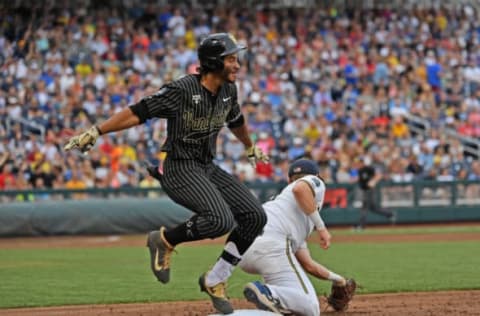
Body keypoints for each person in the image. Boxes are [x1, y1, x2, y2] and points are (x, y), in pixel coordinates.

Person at [64, 33, 269, 315]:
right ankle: (165, 240)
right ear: (213, 62)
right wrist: (96, 131)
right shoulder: (183, 90)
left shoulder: (228, 91)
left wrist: (250, 146)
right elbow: (139, 112)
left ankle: (216, 279)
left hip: (206, 166)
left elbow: (236, 121)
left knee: (256, 216)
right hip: (180, 168)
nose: (237, 64)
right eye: (231, 59)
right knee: (220, 220)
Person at [238, 159, 356, 316]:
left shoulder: (288, 214)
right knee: (311, 308)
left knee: (290, 302)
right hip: (271, 245)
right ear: (317, 176)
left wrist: (338, 279)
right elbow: (300, 188)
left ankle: (273, 299)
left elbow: (309, 265)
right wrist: (322, 228)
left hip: (245, 250)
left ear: (288, 180)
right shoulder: (313, 181)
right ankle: (268, 292)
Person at [357, 156, 395, 229]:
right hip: (365, 190)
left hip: (369, 190)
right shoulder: (360, 170)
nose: (358, 164)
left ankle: (361, 226)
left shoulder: (368, 168)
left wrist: (373, 181)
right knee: (374, 208)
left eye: (359, 162)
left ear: (362, 162)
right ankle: (390, 214)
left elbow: (379, 175)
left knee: (364, 207)